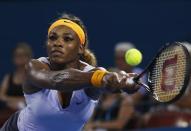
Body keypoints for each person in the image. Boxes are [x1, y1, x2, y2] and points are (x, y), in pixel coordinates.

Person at [0, 13, 140, 131]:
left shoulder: (94, 74)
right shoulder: (34, 66)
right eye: (53, 38)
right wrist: (102, 78)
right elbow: (56, 80)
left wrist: (125, 82)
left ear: (80, 48)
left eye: (67, 39)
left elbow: (110, 84)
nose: (57, 43)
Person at [0, 43, 32, 110]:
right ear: (13, 58)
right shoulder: (8, 77)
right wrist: (14, 101)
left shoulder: (35, 77)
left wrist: (22, 102)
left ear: (29, 57)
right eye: (17, 55)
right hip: (9, 113)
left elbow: (39, 97)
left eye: (23, 55)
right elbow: (1, 96)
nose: (21, 58)